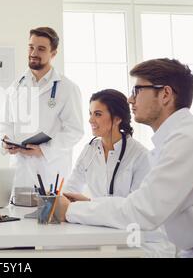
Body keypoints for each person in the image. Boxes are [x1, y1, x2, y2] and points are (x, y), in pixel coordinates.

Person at [58, 58, 193, 257]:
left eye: (137, 90)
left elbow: (141, 210)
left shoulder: (187, 142)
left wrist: (71, 211)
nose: (130, 99)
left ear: (165, 94)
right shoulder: (177, 140)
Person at [63, 89, 175, 257]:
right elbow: (72, 186)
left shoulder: (140, 155)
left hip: (141, 239)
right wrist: (61, 199)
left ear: (117, 119)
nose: (90, 120)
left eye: (98, 114)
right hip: (103, 231)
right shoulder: (90, 149)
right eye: (90, 113)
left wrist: (89, 202)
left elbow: (134, 209)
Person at [0, 27, 83, 189]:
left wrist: (44, 150)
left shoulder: (68, 88)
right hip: (20, 171)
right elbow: (4, 124)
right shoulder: (15, 86)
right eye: (31, 47)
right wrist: (5, 141)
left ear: (53, 53)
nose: (33, 53)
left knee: (50, 213)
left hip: (50, 171)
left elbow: (74, 131)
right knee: (18, 212)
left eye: (41, 49)